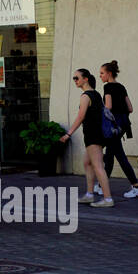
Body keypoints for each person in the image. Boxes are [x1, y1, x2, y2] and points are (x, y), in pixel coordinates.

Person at [60, 69, 114, 207]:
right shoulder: (95, 94)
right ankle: (89, 195)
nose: (75, 81)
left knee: (97, 166)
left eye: (76, 78)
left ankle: (108, 199)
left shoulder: (86, 96)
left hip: (93, 135)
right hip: (96, 135)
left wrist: (68, 134)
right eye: (74, 78)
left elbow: (80, 117)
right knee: (87, 163)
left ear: (86, 79)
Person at [98, 61, 138, 198]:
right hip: (123, 125)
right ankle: (101, 185)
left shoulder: (108, 87)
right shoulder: (121, 87)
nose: (100, 76)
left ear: (109, 73)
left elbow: (108, 106)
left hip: (113, 126)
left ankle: (136, 186)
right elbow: (130, 108)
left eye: (102, 73)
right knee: (110, 155)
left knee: (119, 156)